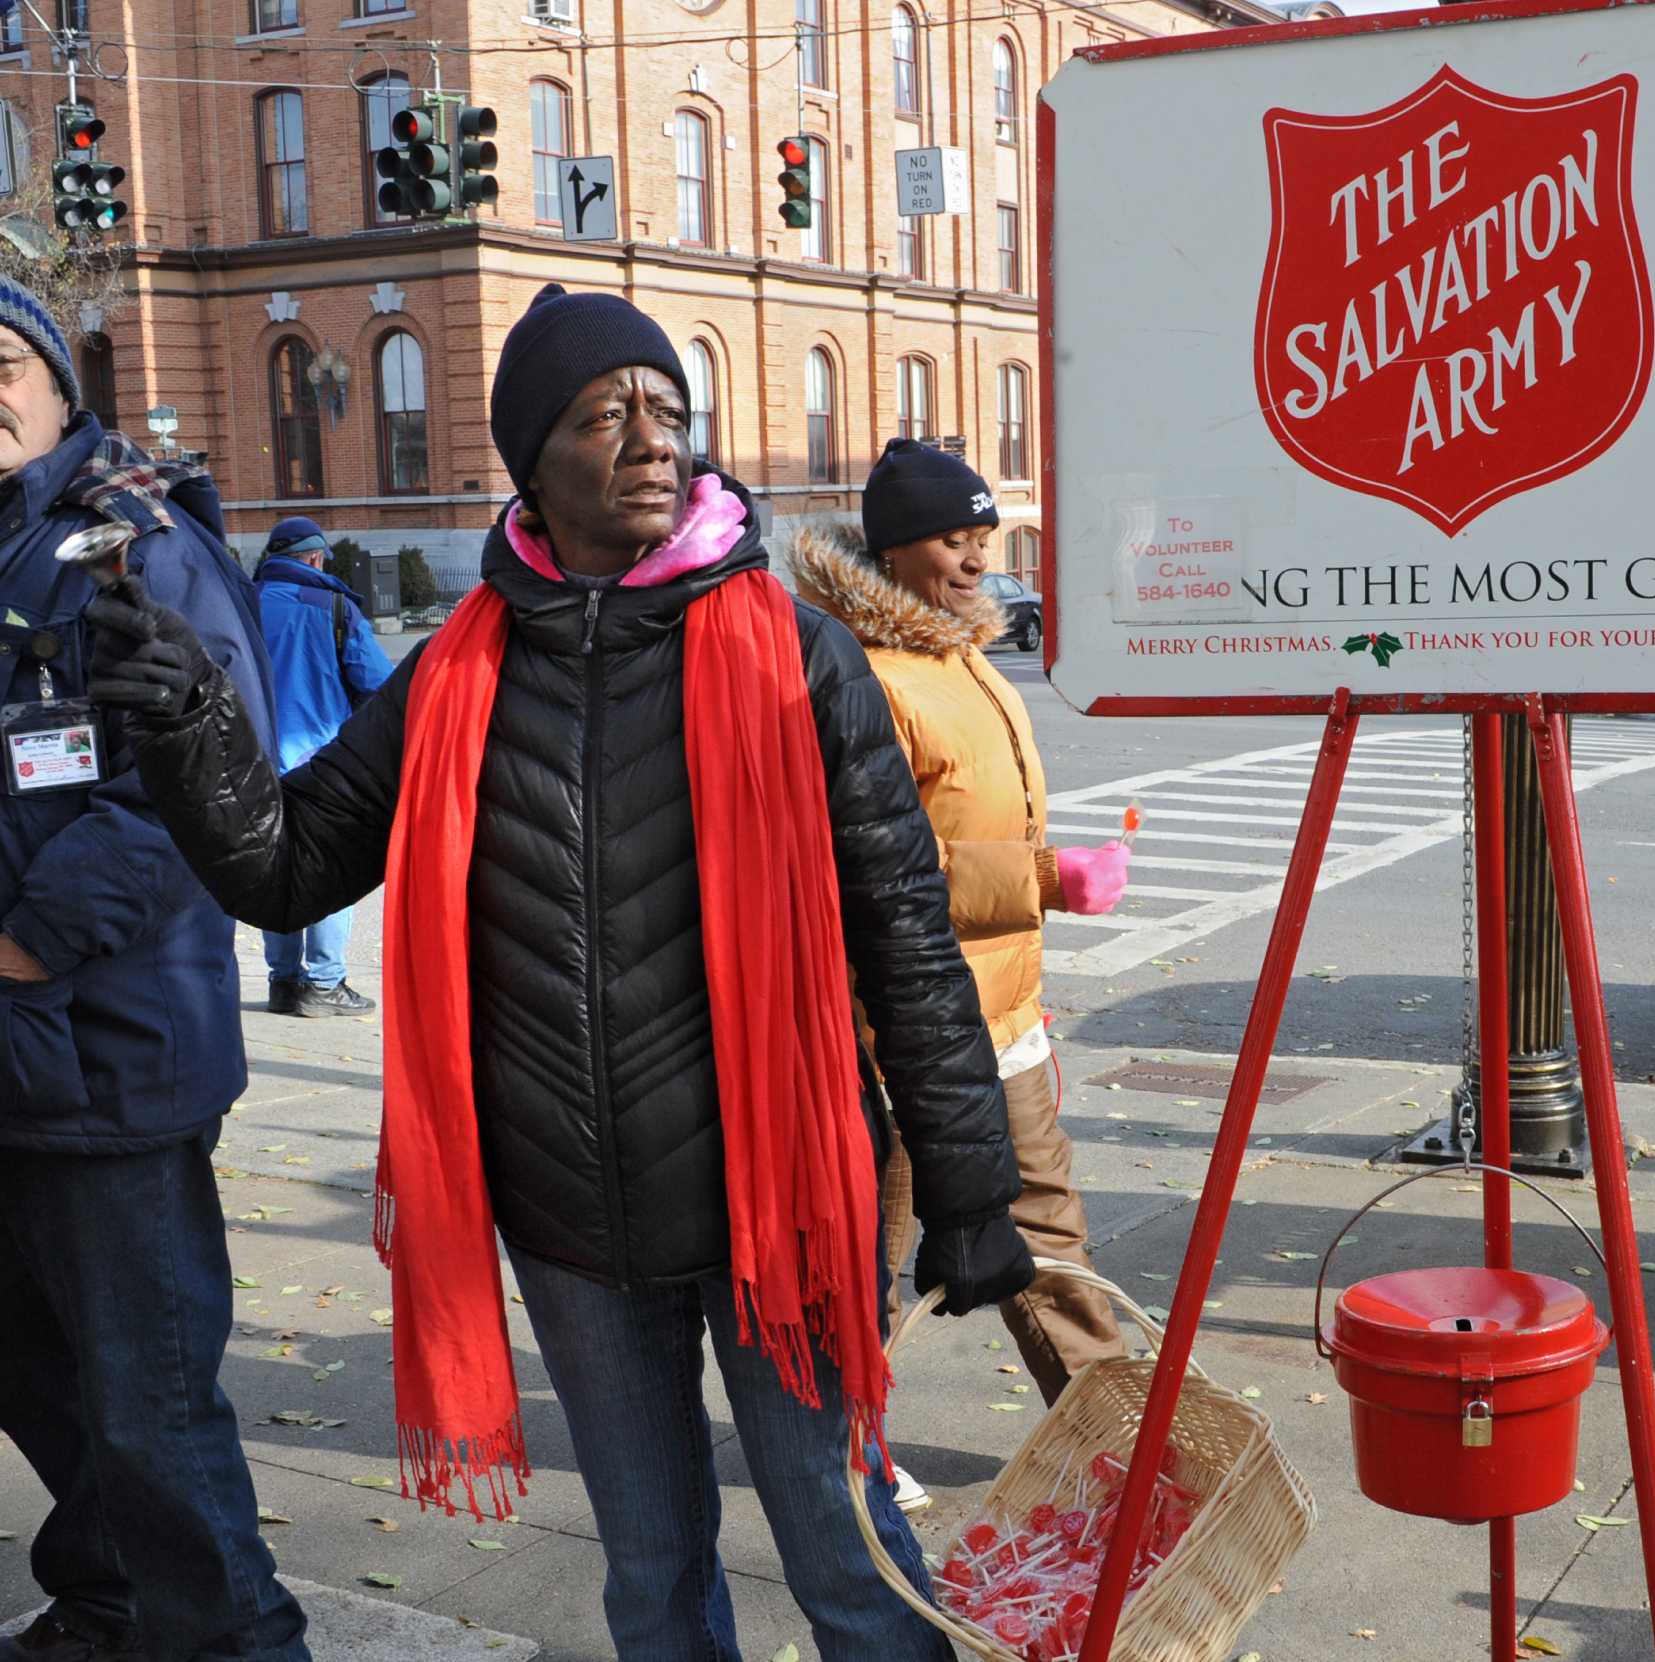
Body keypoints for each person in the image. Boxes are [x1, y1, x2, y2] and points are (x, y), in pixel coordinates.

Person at [84, 284, 1035, 1662]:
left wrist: (970, 1186)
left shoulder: (798, 656)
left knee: (846, 1560)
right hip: (572, 1218)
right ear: (535, 458)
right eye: (608, 413)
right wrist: (192, 728)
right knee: (650, 1576)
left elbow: (906, 931)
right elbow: (286, 870)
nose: (654, 437)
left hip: (774, 1201)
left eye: (668, 410)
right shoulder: (454, 672)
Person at [0, 278, 309, 1662]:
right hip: (11, 1065)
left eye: (5, 360)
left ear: (64, 388)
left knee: (153, 1401)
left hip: (107, 1049)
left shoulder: (137, 543)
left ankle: (237, 1641)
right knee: (36, 1376)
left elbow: (200, 783)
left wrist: (29, 939)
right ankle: (113, 1601)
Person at [791, 438, 1131, 1448]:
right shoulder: (866, 677)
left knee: (1048, 1240)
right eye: (953, 537)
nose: (977, 557)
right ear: (894, 551)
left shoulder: (963, 654)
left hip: (1003, 1016)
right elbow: (868, 870)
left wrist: (1041, 874)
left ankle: (1117, 1446)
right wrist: (1037, 879)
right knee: (874, 1266)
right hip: (898, 1033)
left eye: (982, 534)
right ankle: (841, 1454)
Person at [251, 515, 390, 1017]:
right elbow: (379, 685)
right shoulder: (334, 607)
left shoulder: (242, 604)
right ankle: (325, 982)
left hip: (254, 763)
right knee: (329, 866)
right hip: (323, 759)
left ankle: (283, 981)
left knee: (272, 871)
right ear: (314, 559)